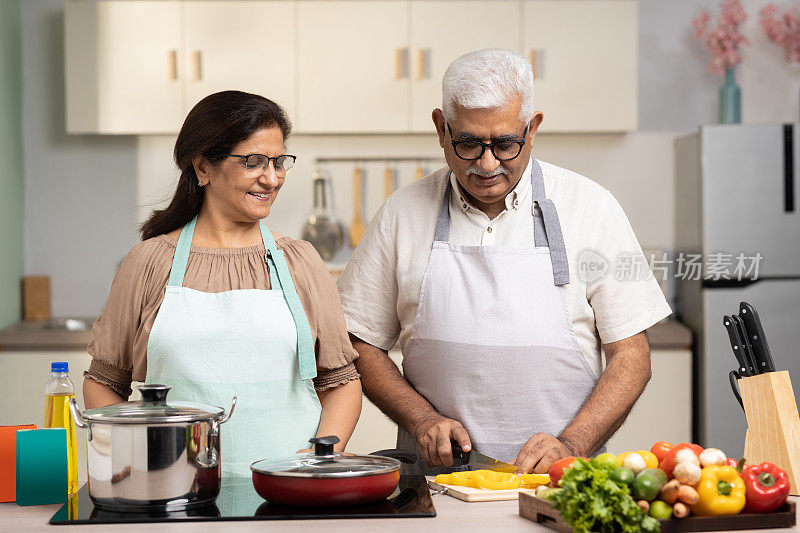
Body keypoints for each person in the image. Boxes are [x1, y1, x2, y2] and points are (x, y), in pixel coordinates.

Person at [336, 49, 672, 475]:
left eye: (505, 144)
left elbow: (631, 355)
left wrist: (572, 443)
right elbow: (359, 342)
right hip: (435, 482)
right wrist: (421, 419)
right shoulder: (402, 213)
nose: (487, 164)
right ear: (441, 129)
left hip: (561, 478)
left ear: (532, 129)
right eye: (469, 143)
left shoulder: (591, 207)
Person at [83, 91, 362, 475]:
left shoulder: (301, 261)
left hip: (288, 488)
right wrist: (137, 460)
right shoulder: (148, 263)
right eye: (253, 162)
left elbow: (341, 383)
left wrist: (317, 456)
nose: (272, 178)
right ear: (203, 167)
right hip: (173, 486)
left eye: (279, 162)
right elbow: (104, 381)